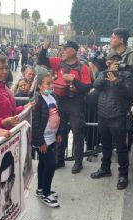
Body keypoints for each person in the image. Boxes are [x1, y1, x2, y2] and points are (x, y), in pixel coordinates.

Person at [38, 40, 92, 173]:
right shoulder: (59, 62)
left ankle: (78, 162)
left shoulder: (83, 67)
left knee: (77, 132)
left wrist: (74, 80)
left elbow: (87, 87)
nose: (62, 51)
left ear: (73, 51)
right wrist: (44, 48)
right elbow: (41, 61)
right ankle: (59, 160)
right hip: (61, 102)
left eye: (65, 49)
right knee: (60, 132)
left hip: (76, 104)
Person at [90, 52, 133, 190]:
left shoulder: (127, 75)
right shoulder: (103, 73)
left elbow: (130, 94)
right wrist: (107, 75)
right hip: (103, 114)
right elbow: (96, 85)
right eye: (110, 62)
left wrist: (117, 80)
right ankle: (105, 168)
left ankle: (123, 174)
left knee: (121, 147)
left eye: (116, 62)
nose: (112, 65)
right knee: (105, 144)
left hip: (118, 116)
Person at [32, 72, 63, 207]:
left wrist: (59, 132)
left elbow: (57, 115)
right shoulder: (37, 100)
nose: (51, 86)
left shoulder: (53, 96)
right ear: (39, 86)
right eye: (47, 83)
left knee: (43, 164)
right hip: (42, 140)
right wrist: (40, 142)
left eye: (52, 83)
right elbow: (35, 123)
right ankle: (46, 193)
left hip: (51, 137)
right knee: (51, 164)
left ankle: (41, 188)